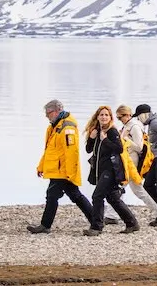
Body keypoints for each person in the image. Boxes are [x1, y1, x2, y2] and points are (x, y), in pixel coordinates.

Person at [27, 100, 94, 234]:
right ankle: (96, 220)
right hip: (57, 170)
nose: (47, 116)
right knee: (74, 196)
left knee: (53, 196)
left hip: (63, 171)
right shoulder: (55, 126)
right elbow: (49, 150)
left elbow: (71, 152)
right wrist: (41, 166)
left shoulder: (67, 127)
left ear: (57, 111)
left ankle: (45, 225)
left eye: (48, 113)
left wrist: (70, 172)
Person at [83, 106, 140, 235]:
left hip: (111, 170)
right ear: (97, 117)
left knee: (97, 196)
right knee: (113, 198)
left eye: (106, 115)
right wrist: (91, 138)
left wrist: (105, 140)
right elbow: (88, 150)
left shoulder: (112, 131)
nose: (104, 117)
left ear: (110, 118)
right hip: (100, 170)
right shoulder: (97, 131)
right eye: (101, 115)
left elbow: (119, 148)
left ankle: (96, 227)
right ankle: (132, 223)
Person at [115, 105, 157, 212]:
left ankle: (112, 214)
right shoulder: (127, 126)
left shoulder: (134, 127)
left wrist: (125, 139)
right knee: (135, 189)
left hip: (132, 160)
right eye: (118, 118)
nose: (119, 120)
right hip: (127, 159)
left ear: (127, 115)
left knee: (121, 185)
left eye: (120, 117)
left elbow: (139, 147)